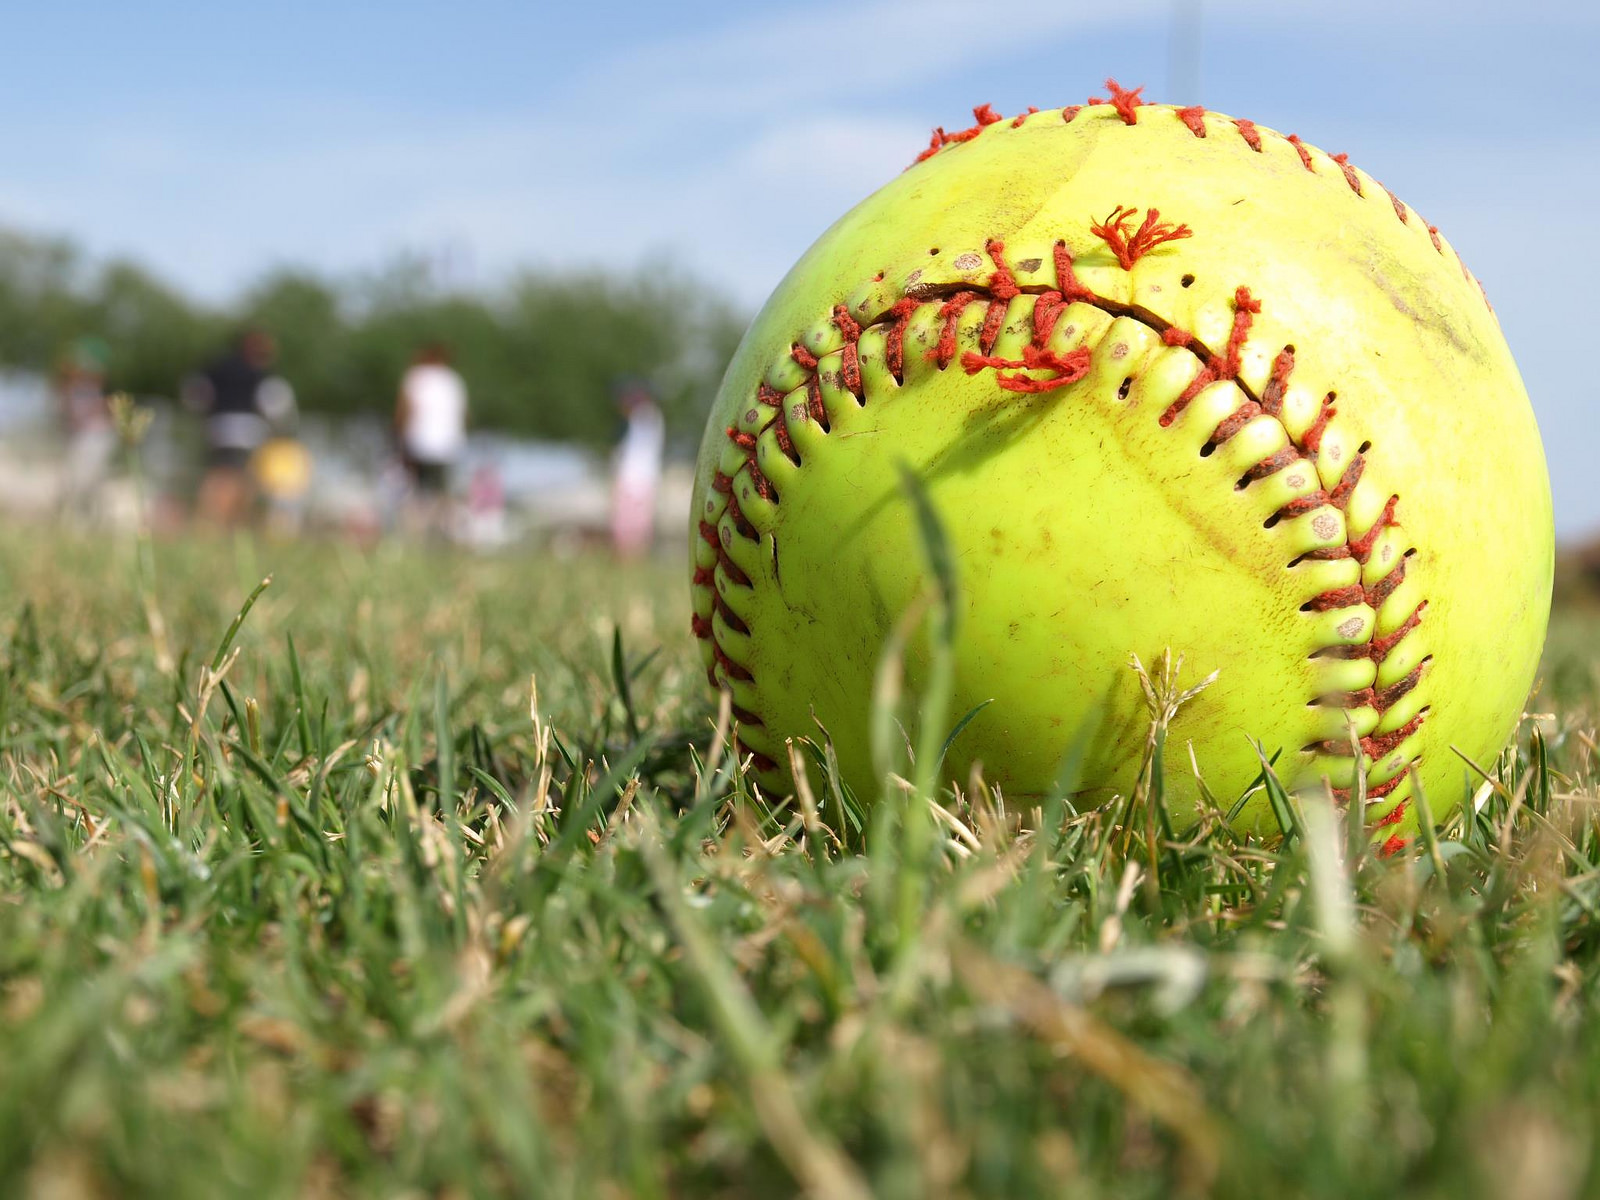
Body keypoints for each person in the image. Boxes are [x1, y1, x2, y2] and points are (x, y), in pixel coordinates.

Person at [185, 329, 296, 528]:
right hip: (246, 430)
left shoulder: (215, 368)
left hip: (217, 427)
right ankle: (224, 520)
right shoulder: (260, 375)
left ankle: (212, 519)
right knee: (238, 477)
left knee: (219, 472)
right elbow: (273, 405)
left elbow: (197, 395)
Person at [395, 343, 468, 538]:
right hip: (448, 445)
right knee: (443, 490)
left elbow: (406, 409)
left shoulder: (416, 377)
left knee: (418, 490)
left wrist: (399, 437)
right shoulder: (453, 380)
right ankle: (445, 532)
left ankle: (417, 533)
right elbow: (463, 414)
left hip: (420, 442)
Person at [54, 336, 116, 521]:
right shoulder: (71, 387)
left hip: (94, 437)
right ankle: (75, 517)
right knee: (75, 480)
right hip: (80, 437)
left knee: (87, 482)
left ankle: (85, 519)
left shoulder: (95, 388)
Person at [610, 379, 664, 559]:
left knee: (630, 522)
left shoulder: (643, 415)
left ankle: (630, 556)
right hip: (642, 477)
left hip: (635, 477)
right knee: (635, 522)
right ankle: (632, 555)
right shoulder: (650, 416)